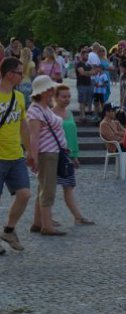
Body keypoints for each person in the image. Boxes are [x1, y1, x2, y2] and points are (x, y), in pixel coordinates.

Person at [26, 76, 69, 236]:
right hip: (47, 153)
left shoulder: (42, 107)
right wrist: (34, 157)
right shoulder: (36, 110)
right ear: (44, 91)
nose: (53, 91)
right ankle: (46, 225)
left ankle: (38, 222)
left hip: (51, 152)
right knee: (48, 189)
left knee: (42, 188)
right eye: (50, 89)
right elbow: (34, 136)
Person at [0, 58, 33, 254]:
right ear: (10, 74)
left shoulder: (19, 97)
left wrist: (29, 150)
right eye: (20, 72)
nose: (23, 76)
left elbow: (23, 125)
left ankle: (9, 230)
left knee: (25, 194)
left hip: (15, 155)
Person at [51, 85, 93, 226]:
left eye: (69, 96)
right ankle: (45, 217)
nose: (67, 99)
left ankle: (78, 217)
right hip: (53, 155)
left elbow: (73, 136)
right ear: (56, 97)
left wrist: (75, 156)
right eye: (63, 96)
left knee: (68, 187)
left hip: (67, 157)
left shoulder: (68, 113)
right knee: (48, 189)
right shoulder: (51, 114)